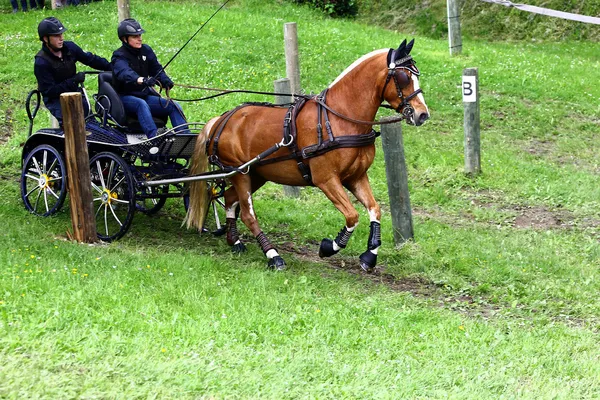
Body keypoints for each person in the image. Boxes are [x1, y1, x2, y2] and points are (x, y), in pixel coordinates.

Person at [111, 18, 189, 139]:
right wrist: (142, 80)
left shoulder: (146, 50)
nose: (139, 38)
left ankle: (185, 139)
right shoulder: (119, 55)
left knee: (174, 105)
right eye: (135, 36)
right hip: (124, 98)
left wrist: (165, 80)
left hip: (144, 96)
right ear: (124, 39)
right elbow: (124, 73)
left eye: (140, 35)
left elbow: (156, 69)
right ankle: (155, 138)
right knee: (140, 104)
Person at [34, 17, 111, 122]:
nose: (61, 38)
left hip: (75, 92)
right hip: (56, 100)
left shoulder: (70, 47)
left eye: (61, 34)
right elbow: (49, 91)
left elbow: (90, 59)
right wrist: (74, 80)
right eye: (57, 36)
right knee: (73, 124)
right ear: (45, 39)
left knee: (91, 123)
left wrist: (112, 67)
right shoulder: (41, 62)